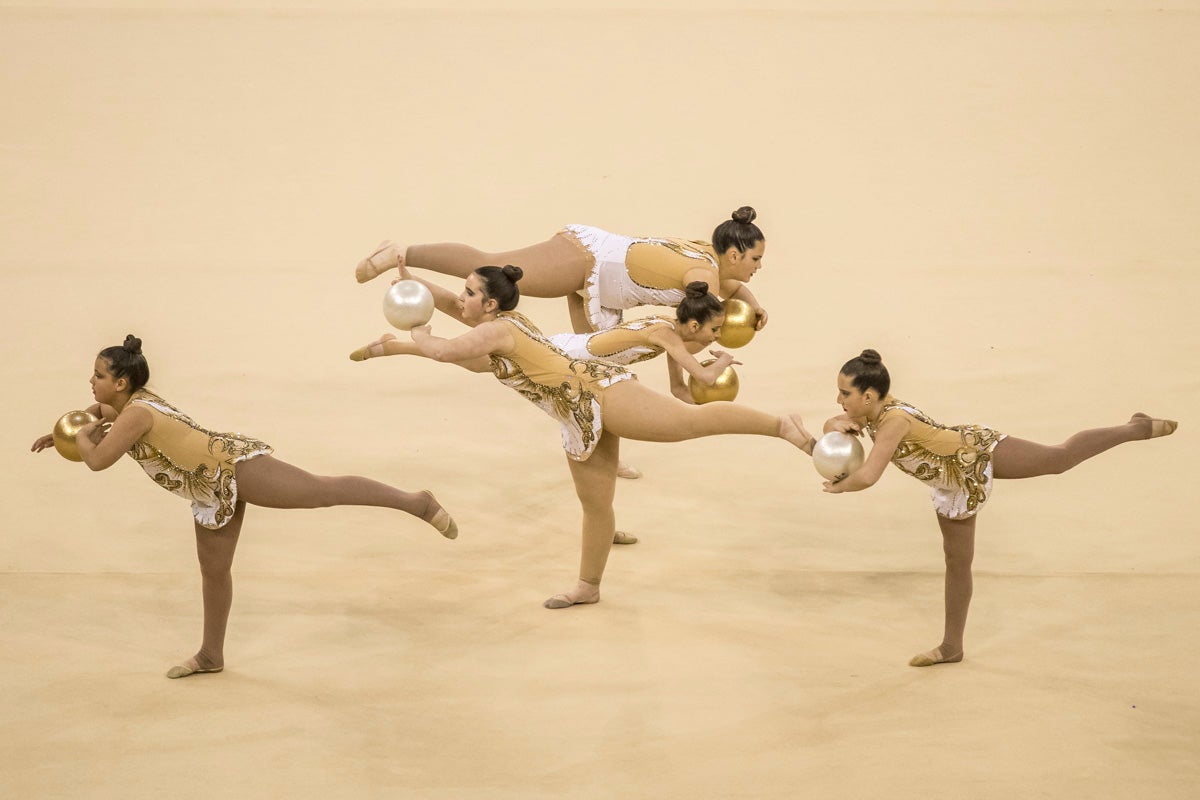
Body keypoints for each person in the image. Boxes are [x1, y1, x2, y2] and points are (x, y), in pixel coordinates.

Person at [353, 266, 815, 609]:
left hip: (600, 389)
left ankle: (780, 426)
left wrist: (417, 329)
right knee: (596, 505)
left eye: (470, 293)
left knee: (686, 424)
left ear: (490, 305)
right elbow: (461, 354)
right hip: (575, 415)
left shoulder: (497, 330)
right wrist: (395, 342)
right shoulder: (500, 331)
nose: (462, 299)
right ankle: (589, 587)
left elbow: (445, 351)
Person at [30, 336, 458, 680]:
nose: (91, 381)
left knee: (319, 490)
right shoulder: (120, 404)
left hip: (232, 466)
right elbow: (94, 411)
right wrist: (65, 431)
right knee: (214, 572)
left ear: (121, 383)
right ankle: (210, 655)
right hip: (207, 490)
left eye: (98, 375)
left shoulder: (136, 415)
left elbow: (99, 460)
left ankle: (415, 502)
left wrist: (82, 439)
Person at [821, 349, 1178, 668]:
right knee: (957, 562)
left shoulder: (893, 423)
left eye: (844, 394)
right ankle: (951, 647)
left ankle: (1136, 428)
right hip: (952, 482)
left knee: (1060, 458)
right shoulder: (872, 411)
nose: (839, 400)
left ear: (868, 396)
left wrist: (839, 487)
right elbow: (837, 430)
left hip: (976, 452)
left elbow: (868, 476)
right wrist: (833, 424)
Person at [353, 206, 769, 334]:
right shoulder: (704, 277)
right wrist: (687, 375)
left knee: (598, 374)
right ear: (733, 254)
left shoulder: (706, 255)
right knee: (495, 268)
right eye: (755, 259)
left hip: (606, 291)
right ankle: (401, 251)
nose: (759, 266)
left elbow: (720, 288)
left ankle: (607, 451)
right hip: (586, 260)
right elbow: (694, 311)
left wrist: (751, 302)